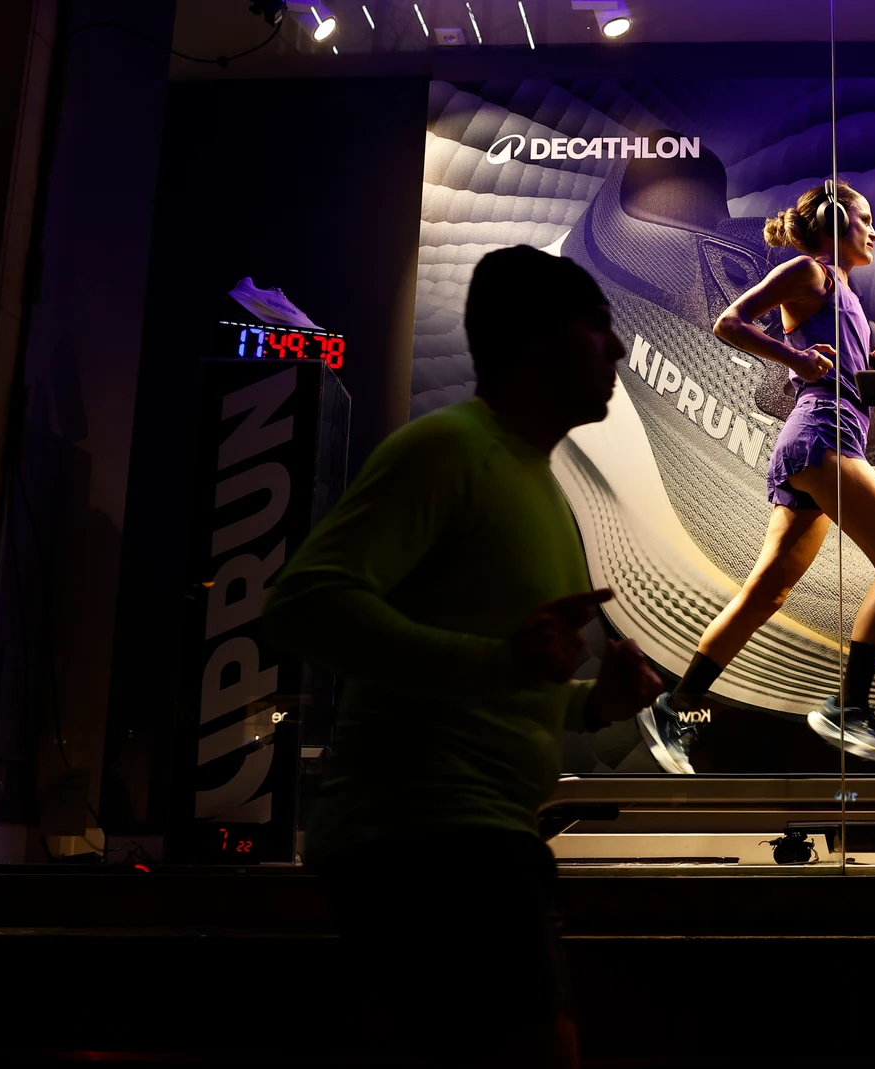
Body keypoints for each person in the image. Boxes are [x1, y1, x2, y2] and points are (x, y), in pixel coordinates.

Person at [262, 245, 660, 1067]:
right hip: (431, 842)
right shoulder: (448, 448)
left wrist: (590, 705)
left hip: (471, 839)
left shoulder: (535, 479)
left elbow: (497, 674)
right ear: (536, 339)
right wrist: (501, 663)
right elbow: (303, 605)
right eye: (597, 326)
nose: (618, 348)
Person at [635, 180, 875, 775]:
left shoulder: (843, 291)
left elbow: (844, 374)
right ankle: (847, 709)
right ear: (834, 221)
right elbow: (729, 322)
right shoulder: (809, 273)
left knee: (767, 592)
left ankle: (674, 705)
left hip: (828, 437)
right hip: (821, 437)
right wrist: (794, 359)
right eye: (865, 220)